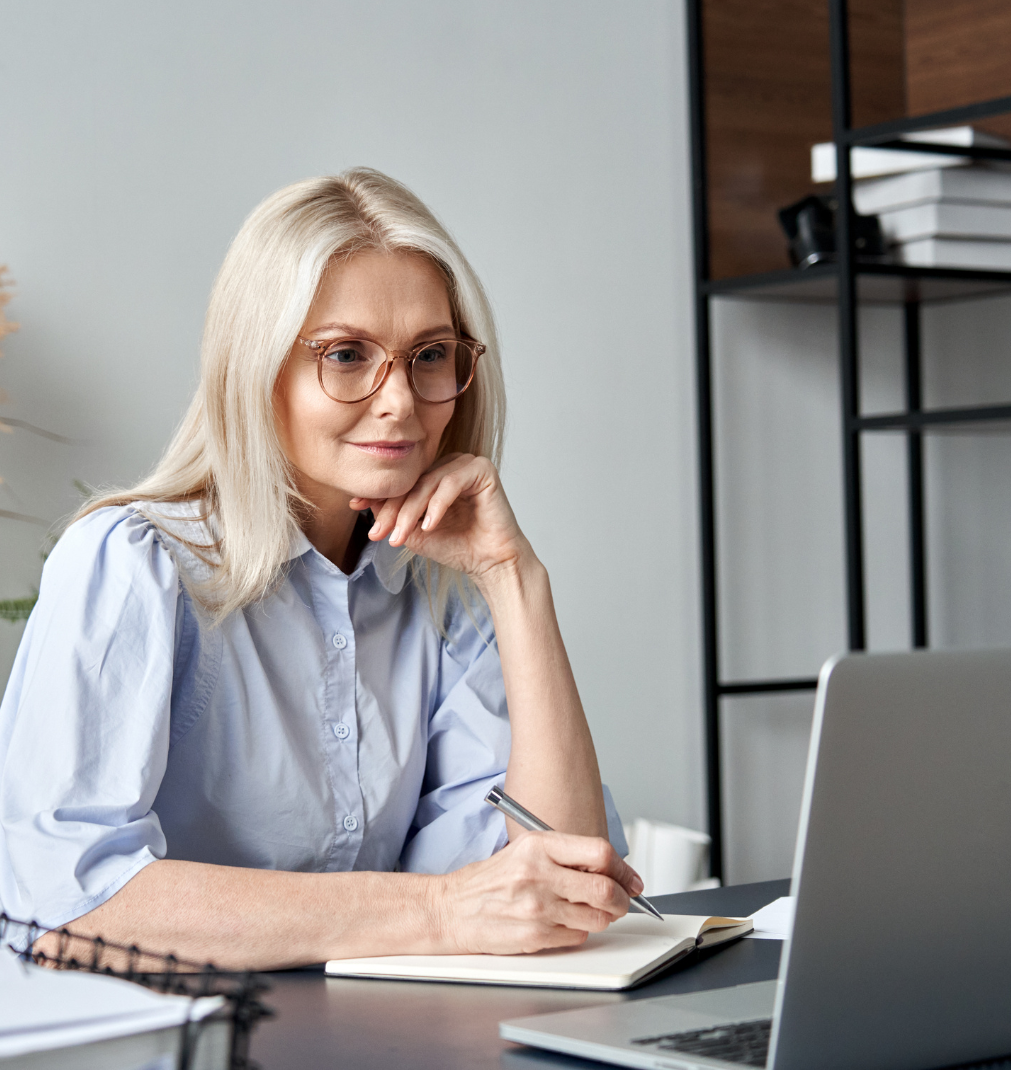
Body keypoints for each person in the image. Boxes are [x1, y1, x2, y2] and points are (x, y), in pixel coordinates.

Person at [0, 168, 640, 970]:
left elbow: (564, 890)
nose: (400, 401)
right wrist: (440, 911)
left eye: (430, 356)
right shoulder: (132, 564)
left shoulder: (441, 589)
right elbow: (62, 905)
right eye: (346, 355)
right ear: (257, 369)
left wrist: (515, 579)